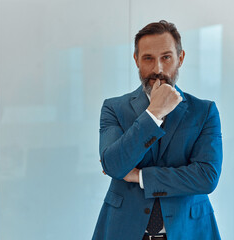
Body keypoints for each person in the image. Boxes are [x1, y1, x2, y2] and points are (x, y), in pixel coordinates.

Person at [92, 20, 222, 240]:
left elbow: (206, 177)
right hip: (124, 230)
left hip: (188, 230)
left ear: (180, 58)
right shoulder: (113, 108)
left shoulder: (204, 111)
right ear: (136, 60)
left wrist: (140, 176)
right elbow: (114, 165)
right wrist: (153, 114)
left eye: (166, 57)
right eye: (148, 58)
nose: (158, 69)